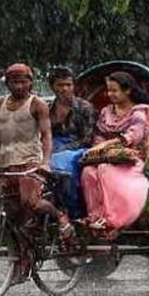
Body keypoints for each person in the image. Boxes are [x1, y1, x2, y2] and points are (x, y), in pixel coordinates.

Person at [0, 63, 75, 278]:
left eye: (24, 81)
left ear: (31, 83)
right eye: (15, 82)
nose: (20, 86)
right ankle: (23, 259)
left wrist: (45, 162)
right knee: (14, 217)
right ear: (7, 83)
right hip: (5, 163)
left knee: (30, 202)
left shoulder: (38, 105)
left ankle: (60, 216)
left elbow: (46, 135)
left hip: (29, 161)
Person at [81, 71, 149, 240]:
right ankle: (95, 217)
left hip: (130, 159)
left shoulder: (138, 113)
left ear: (127, 91)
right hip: (106, 156)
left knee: (103, 170)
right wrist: (98, 147)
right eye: (109, 91)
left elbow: (133, 136)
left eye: (114, 91)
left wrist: (107, 145)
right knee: (88, 172)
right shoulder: (106, 112)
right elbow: (99, 133)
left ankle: (111, 219)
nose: (110, 95)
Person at [47, 67, 96, 218]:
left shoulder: (84, 108)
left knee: (64, 171)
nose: (65, 89)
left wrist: (62, 149)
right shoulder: (48, 109)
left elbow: (87, 138)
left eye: (68, 85)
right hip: (51, 146)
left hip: (78, 148)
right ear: (53, 87)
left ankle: (73, 211)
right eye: (60, 85)